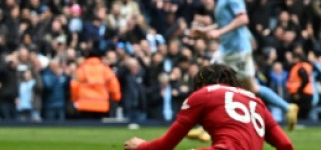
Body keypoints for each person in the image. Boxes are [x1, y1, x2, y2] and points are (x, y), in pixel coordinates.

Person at [192, 0, 299, 140]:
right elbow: (224, 22)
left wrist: (218, 33)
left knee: (247, 88)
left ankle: (287, 108)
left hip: (238, 51)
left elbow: (242, 19)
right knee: (211, 84)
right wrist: (205, 31)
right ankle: (206, 126)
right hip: (227, 51)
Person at [123, 64, 294, 150]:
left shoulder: (203, 94)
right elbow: (286, 146)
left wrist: (141, 146)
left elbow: (167, 144)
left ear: (203, 83)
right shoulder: (257, 102)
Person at [70, 46, 122, 119]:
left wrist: (75, 99)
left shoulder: (81, 70)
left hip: (85, 104)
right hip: (101, 104)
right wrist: (116, 97)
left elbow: (74, 84)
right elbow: (113, 84)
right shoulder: (105, 69)